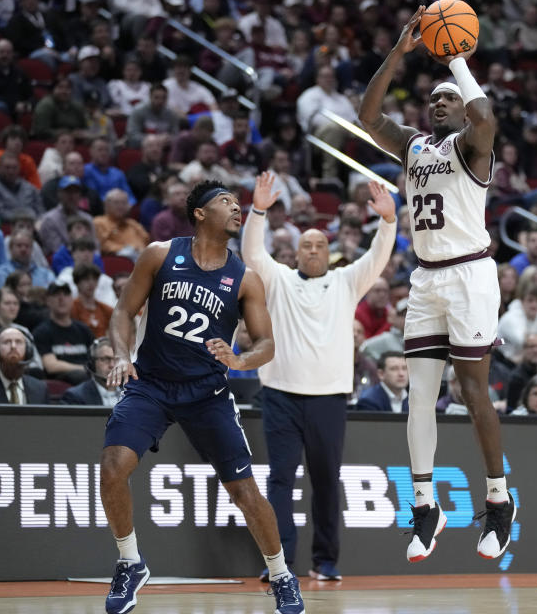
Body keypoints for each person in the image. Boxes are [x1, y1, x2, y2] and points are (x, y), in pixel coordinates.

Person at [358, 6, 516, 563]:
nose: (439, 103)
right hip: (425, 280)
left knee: (472, 393)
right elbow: (367, 114)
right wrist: (399, 54)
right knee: (419, 397)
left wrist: (456, 62)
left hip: (471, 274)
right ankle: (425, 508)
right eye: (434, 99)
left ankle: (499, 501)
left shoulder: (475, 147)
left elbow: (486, 117)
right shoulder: (416, 147)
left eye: (447, 97)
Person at [101, 179, 304, 614]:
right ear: (199, 213)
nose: (237, 208)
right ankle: (130, 561)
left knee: (246, 492)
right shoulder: (160, 254)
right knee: (114, 465)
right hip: (151, 383)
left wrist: (238, 359)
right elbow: (123, 311)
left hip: (208, 393)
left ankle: (282, 574)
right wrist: (121, 354)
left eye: (238, 202)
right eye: (226, 202)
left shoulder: (244, 278)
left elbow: (266, 343)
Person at [241, 170, 395, 581]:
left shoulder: (347, 281)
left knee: (327, 483)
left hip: (329, 398)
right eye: (305, 245)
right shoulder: (278, 280)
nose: (311, 250)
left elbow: (377, 258)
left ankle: (325, 562)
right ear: (295, 253)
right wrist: (258, 210)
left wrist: (388, 221)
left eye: (318, 244)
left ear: (328, 252)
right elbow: (253, 253)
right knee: (279, 482)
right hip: (280, 397)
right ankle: (279, 563)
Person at [33, 282, 95, 385]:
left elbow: (97, 357)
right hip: (61, 383)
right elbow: (51, 366)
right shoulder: (41, 332)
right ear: (48, 301)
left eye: (66, 294)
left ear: (72, 299)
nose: (61, 299)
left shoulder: (84, 330)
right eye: (56, 294)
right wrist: (85, 369)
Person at [61, 337, 120, 406]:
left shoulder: (133, 394)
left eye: (117, 359)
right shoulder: (74, 397)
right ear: (92, 364)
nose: (112, 365)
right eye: (105, 359)